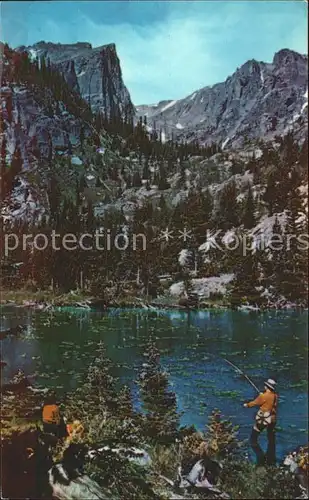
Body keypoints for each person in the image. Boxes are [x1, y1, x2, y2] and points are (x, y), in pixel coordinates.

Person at [244, 378, 278, 466]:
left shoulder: (263, 396)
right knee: (270, 439)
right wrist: (262, 396)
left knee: (253, 439)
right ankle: (271, 459)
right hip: (272, 419)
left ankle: (260, 457)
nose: (264, 386)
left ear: (267, 386)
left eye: (265, 385)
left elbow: (255, 403)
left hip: (263, 419)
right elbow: (273, 405)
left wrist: (246, 405)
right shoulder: (275, 395)